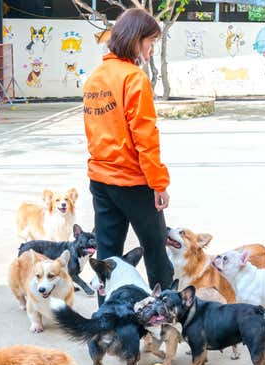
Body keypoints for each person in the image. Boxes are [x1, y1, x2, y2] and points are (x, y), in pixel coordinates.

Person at [82, 8, 173, 302]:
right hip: (133, 182)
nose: (151, 47)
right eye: (150, 41)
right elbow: (145, 138)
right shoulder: (134, 78)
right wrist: (158, 184)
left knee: (107, 257)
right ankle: (165, 316)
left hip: (101, 180)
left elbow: (93, 132)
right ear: (136, 39)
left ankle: (108, 320)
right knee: (156, 251)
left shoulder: (95, 79)